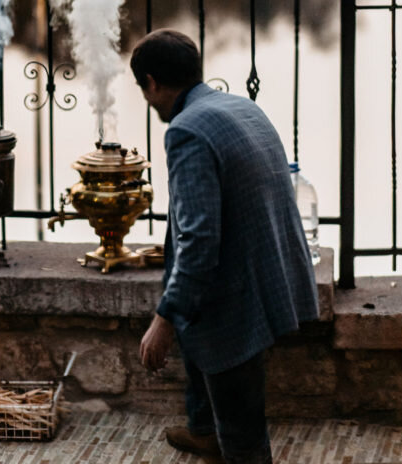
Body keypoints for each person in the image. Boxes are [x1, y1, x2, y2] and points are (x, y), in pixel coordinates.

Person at [130, 29, 319, 464]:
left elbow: (199, 242)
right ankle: (203, 432)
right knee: (205, 359)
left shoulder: (186, 131)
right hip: (274, 273)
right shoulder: (240, 106)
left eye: (144, 88)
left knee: (244, 436)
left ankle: (225, 442)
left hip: (238, 296)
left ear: (153, 83)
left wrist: (164, 319)